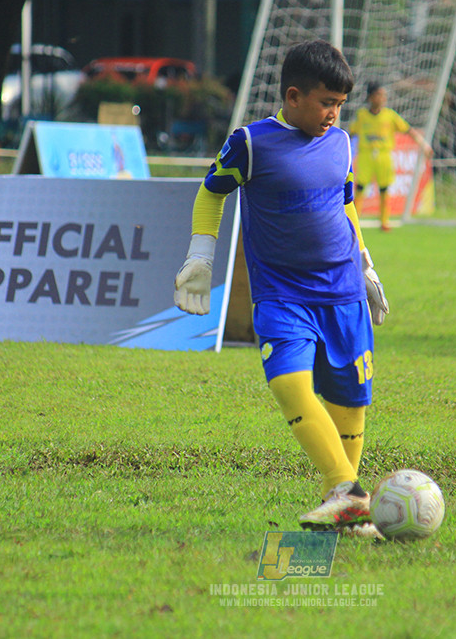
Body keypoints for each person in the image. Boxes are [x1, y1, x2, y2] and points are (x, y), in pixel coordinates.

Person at [172, 40, 390, 538]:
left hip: (342, 292)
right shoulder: (251, 143)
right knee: (289, 383)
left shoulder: (342, 143)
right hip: (282, 295)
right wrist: (200, 256)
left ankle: (346, 509)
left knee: (350, 400)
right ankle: (349, 491)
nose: (334, 114)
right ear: (293, 96)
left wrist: (367, 267)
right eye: (326, 103)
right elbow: (211, 192)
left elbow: (346, 204)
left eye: (340, 104)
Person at [346, 82, 432, 231]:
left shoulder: (390, 115)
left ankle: (384, 221)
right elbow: (350, 133)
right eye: (379, 95)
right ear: (371, 97)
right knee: (360, 188)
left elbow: (408, 130)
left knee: (384, 189)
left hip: (384, 155)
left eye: (384, 95)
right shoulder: (362, 115)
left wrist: (423, 145)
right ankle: (355, 221)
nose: (383, 98)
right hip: (366, 155)